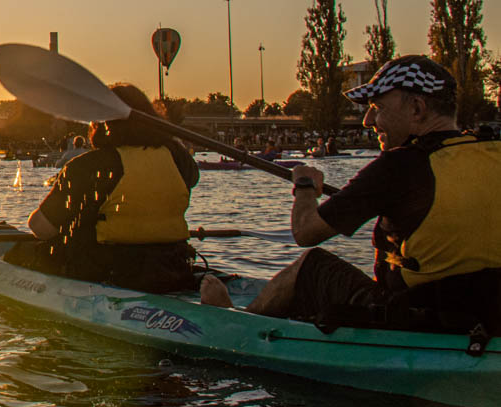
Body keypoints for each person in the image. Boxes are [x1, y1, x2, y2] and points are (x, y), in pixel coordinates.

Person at [201, 56, 501, 332]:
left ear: (417, 109)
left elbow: (305, 232)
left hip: (420, 318)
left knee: (311, 265)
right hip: (489, 316)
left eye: (378, 108)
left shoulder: (399, 164)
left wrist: (305, 186)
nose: (368, 121)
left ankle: (237, 326)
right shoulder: (493, 152)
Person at [6, 83, 200, 293]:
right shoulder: (180, 160)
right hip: (173, 268)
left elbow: (41, 228)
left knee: (20, 253)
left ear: (101, 123)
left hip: (106, 273)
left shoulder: (90, 166)